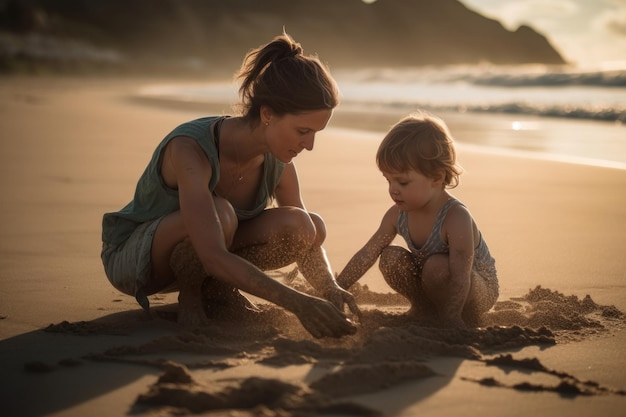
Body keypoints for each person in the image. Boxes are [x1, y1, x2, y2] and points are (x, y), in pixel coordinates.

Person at [101, 32, 359, 339]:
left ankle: (219, 290)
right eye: (303, 131)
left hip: (211, 255)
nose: (310, 145)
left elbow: (307, 244)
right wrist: (298, 304)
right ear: (267, 114)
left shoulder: (279, 160)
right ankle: (192, 295)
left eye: (315, 133)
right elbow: (211, 253)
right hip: (137, 260)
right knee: (220, 212)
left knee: (306, 225)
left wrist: (329, 289)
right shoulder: (190, 148)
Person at [336, 112, 499, 328]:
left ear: (437, 178)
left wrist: (452, 318)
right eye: (388, 180)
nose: (393, 190)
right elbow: (368, 253)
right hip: (432, 280)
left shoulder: (455, 216)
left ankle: (451, 315)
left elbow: (460, 272)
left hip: (476, 289)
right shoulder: (398, 214)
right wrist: (337, 288)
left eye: (402, 182)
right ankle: (423, 309)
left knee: (436, 267)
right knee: (390, 257)